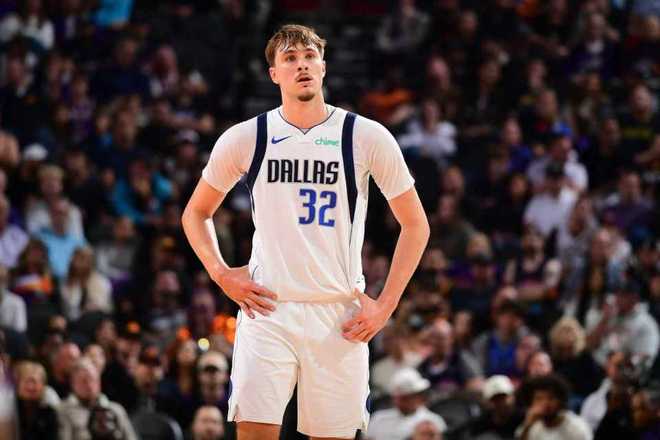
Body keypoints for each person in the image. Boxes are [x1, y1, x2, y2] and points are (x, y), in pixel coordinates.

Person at [181, 24, 429, 440]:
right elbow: (196, 213)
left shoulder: (365, 136)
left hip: (338, 313)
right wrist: (221, 274)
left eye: (310, 57)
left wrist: (385, 305)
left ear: (324, 67)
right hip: (268, 309)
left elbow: (416, 224)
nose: (302, 66)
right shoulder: (247, 137)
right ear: (274, 74)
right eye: (290, 58)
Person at [367, 368, 446, 440]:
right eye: (398, 398)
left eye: (407, 398)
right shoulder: (378, 419)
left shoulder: (433, 421)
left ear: (419, 396)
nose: (400, 402)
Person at [517, 374, 592, 440]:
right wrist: (528, 425)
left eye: (551, 398)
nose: (545, 403)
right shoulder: (532, 426)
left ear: (561, 400)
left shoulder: (576, 427)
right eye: (539, 399)